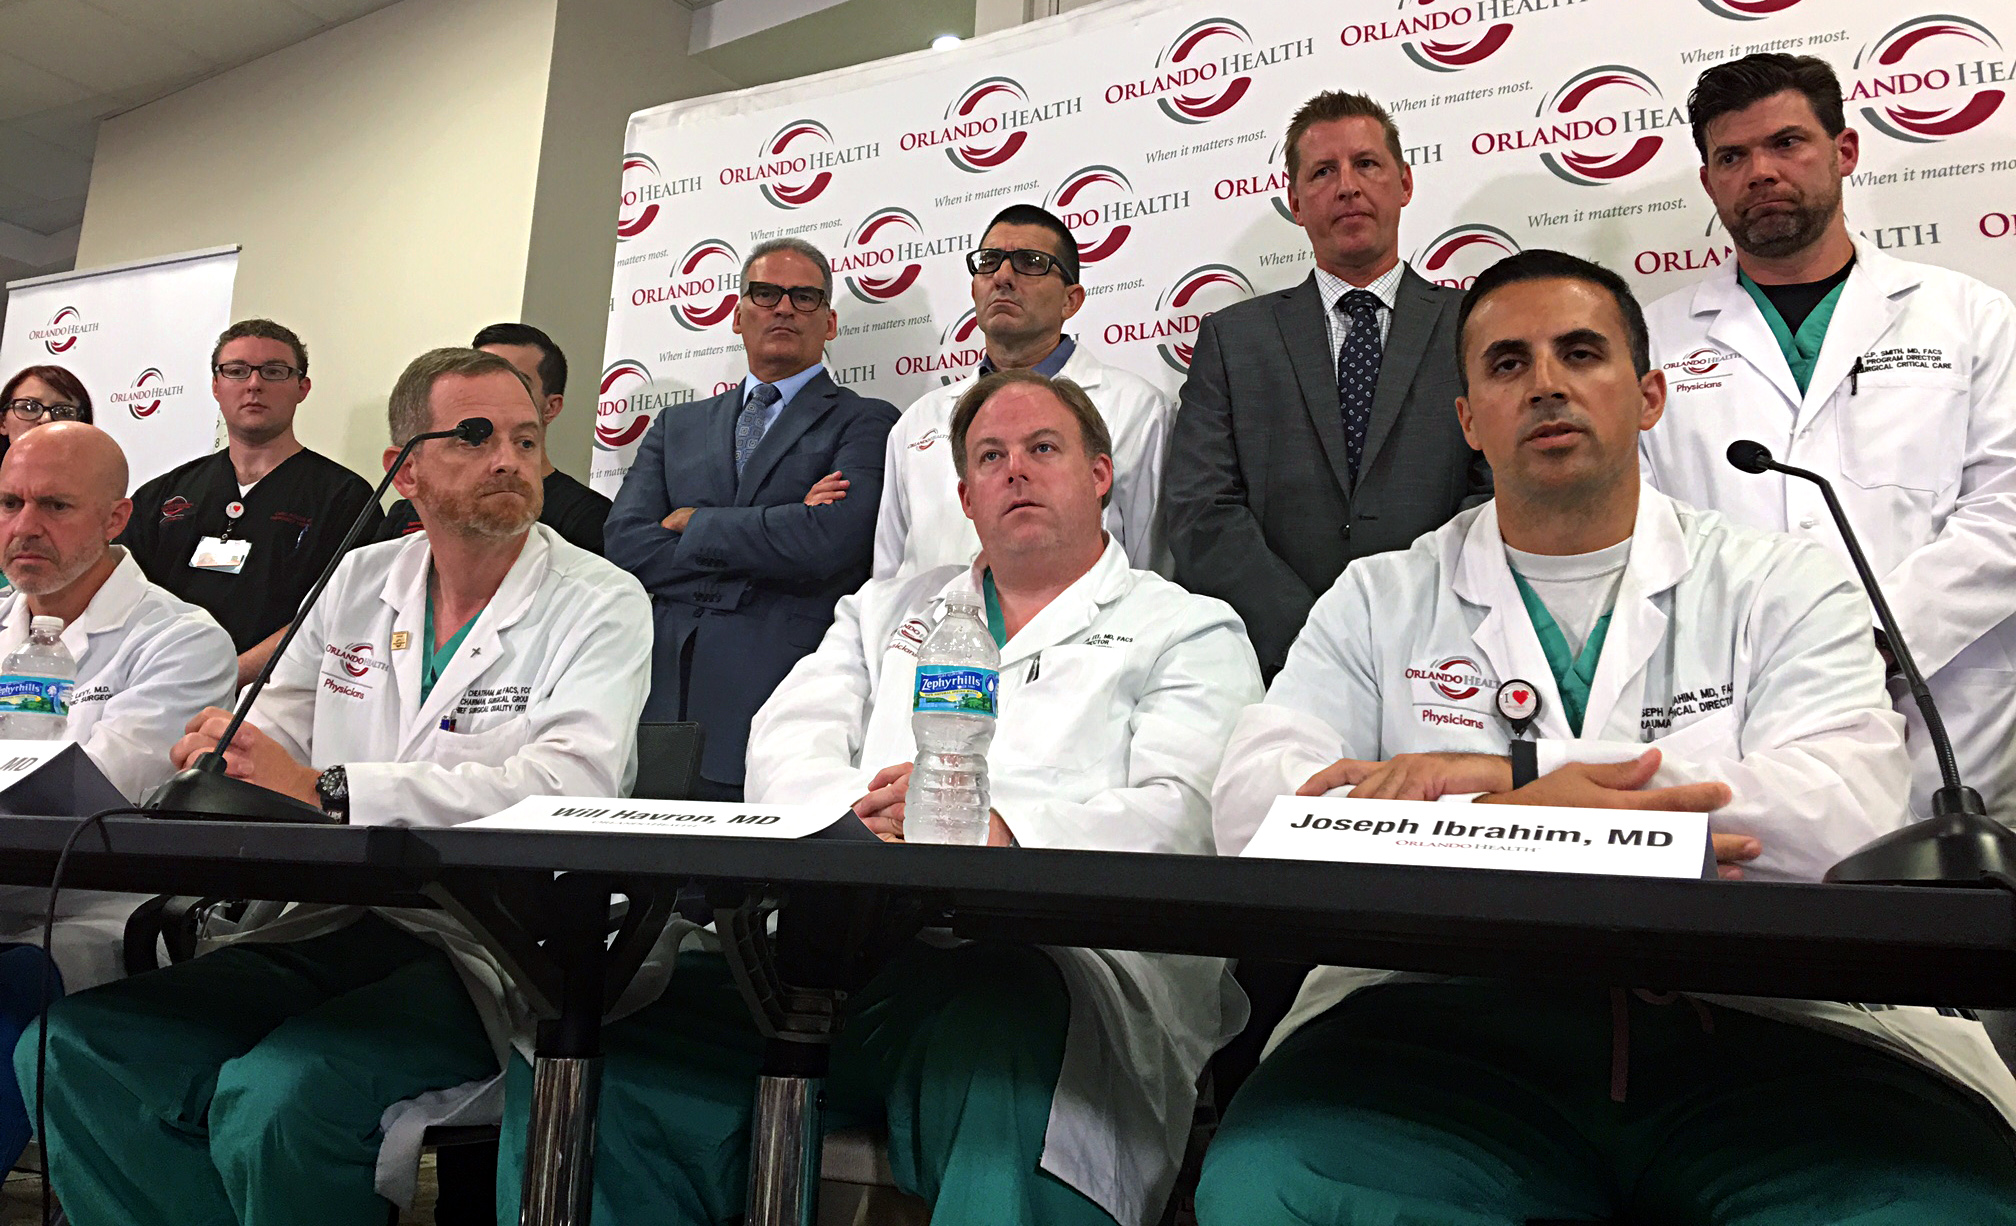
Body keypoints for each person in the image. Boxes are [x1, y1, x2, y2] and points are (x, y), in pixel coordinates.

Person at [1199, 250, 2016, 1224]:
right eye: (1506, 364)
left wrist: (1518, 776)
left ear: (1649, 393)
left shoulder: (1783, 582)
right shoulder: (1381, 596)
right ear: (1467, 419)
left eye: (1580, 352)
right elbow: (1256, 806)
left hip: (1780, 1027)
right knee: (1276, 1187)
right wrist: (1511, 813)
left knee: (1939, 1203)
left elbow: (1844, 822)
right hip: (1437, 1025)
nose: (1545, 381)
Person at [499, 367, 1260, 1226]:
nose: (1016, 470)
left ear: (1098, 475)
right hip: (829, 950)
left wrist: (998, 831)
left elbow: (1185, 809)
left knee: (1001, 1034)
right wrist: (851, 817)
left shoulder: (1187, 626)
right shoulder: (881, 610)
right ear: (965, 497)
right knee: (601, 1034)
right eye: (990, 456)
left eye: (1042, 448)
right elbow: (787, 736)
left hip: (1038, 967)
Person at [19, 347, 654, 1226]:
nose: (509, 459)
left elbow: (568, 781)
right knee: (76, 1047)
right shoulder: (360, 579)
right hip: (333, 919)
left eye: (525, 437)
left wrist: (329, 789)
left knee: (276, 1100)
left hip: (497, 946)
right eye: (473, 437)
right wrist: (226, 747)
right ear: (407, 467)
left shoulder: (601, 598)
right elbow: (273, 720)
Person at [1639, 54, 2016, 825]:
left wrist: (1872, 635)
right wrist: (1769, 652)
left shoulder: (1969, 316)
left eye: (1787, 143)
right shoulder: (1651, 342)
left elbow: (2006, 510)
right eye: (1732, 156)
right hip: (1732, 716)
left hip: (1941, 715)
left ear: (1844, 151)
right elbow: (1637, 527)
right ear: (1709, 182)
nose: (1761, 172)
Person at [1164, 90, 1491, 679]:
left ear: (1405, 183)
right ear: (1294, 201)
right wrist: (1318, 638)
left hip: (1452, 655)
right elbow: (1200, 513)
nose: (1347, 186)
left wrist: (1416, 621)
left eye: (1367, 164)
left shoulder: (1477, 326)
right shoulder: (1233, 340)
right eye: (1322, 172)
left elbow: (1499, 489)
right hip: (1276, 665)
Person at [0, 422, 235, 1173]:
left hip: (81, 911)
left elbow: (84, 802)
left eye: (55, 507)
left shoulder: (180, 641)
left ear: (115, 518)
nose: (24, 528)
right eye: (8, 503)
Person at [605, 237, 898, 801]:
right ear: (738, 314)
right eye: (765, 294)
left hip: (777, 681)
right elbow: (626, 546)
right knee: (638, 873)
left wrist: (694, 521)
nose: (783, 308)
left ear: (831, 322)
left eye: (804, 297)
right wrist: (778, 525)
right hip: (657, 683)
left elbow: (828, 544)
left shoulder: (867, 421)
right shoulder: (676, 426)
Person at [875, 203, 1172, 576]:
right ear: (974, 288)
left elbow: (1154, 568)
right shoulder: (918, 421)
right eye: (989, 261)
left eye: (1030, 262)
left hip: (1077, 632)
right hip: (931, 630)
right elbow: (888, 576)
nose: (1002, 276)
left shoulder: (1138, 409)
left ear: (1071, 300)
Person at [120, 319, 382, 688]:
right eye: (237, 371)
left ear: (302, 388)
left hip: (273, 702)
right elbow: (121, 595)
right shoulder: (163, 494)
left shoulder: (345, 498)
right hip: (153, 689)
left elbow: (338, 614)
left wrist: (227, 679)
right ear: (215, 385)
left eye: (274, 372)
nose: (254, 384)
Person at [378, 322, 611, 553]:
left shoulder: (586, 517)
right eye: (476, 378)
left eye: (517, 382)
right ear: (407, 472)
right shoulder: (411, 511)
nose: (493, 392)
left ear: (551, 407)